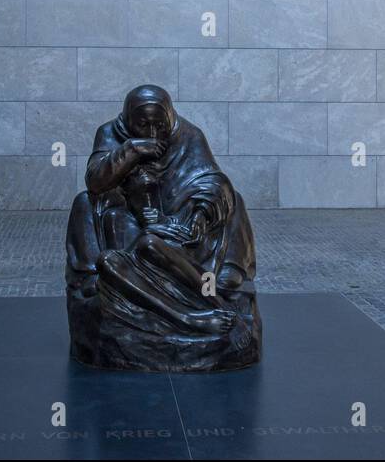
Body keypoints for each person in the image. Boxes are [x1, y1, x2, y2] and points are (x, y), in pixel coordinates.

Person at [65, 84, 261, 371]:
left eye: (159, 124)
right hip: (128, 219)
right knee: (85, 203)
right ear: (127, 120)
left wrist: (196, 217)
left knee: (232, 198)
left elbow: (210, 179)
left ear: (170, 117)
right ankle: (94, 278)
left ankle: (225, 273)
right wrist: (131, 150)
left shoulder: (189, 135)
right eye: (142, 124)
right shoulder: (110, 133)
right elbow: (95, 181)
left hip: (176, 217)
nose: (152, 131)